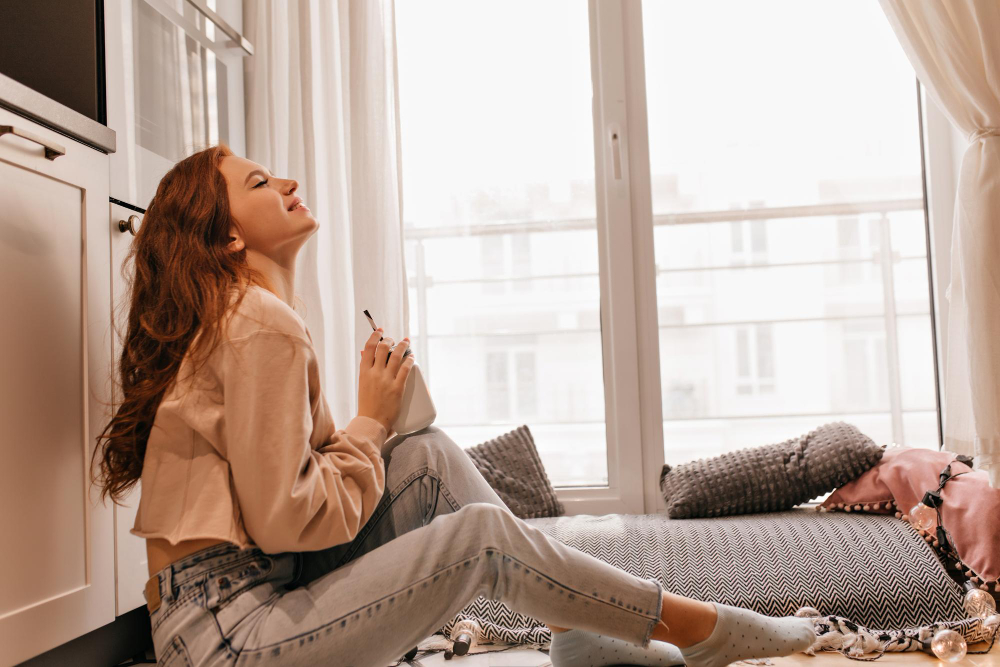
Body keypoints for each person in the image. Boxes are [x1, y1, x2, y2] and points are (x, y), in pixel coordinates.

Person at [91, 143, 816, 667]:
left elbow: (274, 512)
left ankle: (579, 625)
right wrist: (369, 421)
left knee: (429, 455)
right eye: (259, 181)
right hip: (225, 637)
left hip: (236, 596)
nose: (288, 179)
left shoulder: (248, 314)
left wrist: (375, 430)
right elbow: (285, 519)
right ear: (229, 233)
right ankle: (696, 625)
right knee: (480, 539)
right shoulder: (258, 320)